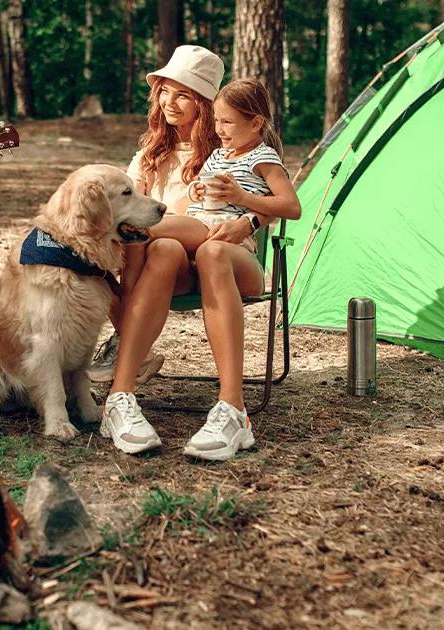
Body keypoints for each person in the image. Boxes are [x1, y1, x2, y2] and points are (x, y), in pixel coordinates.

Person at [101, 78, 302, 462]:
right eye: (219, 123)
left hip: (234, 253)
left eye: (227, 122)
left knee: (200, 249)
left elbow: (291, 206)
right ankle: (119, 397)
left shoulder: (260, 155)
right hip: (192, 240)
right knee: (161, 248)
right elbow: (200, 193)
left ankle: (233, 410)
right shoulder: (218, 153)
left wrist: (246, 211)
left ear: (255, 122)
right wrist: (195, 193)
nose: (219, 130)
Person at [86, 45, 227, 385]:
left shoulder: (222, 152)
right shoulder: (151, 151)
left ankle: (126, 342)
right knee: (92, 256)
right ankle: (136, 348)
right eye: (164, 92)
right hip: (158, 256)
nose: (169, 102)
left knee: (142, 233)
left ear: (204, 105)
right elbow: (127, 195)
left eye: (183, 95)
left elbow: (209, 220)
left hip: (204, 253)